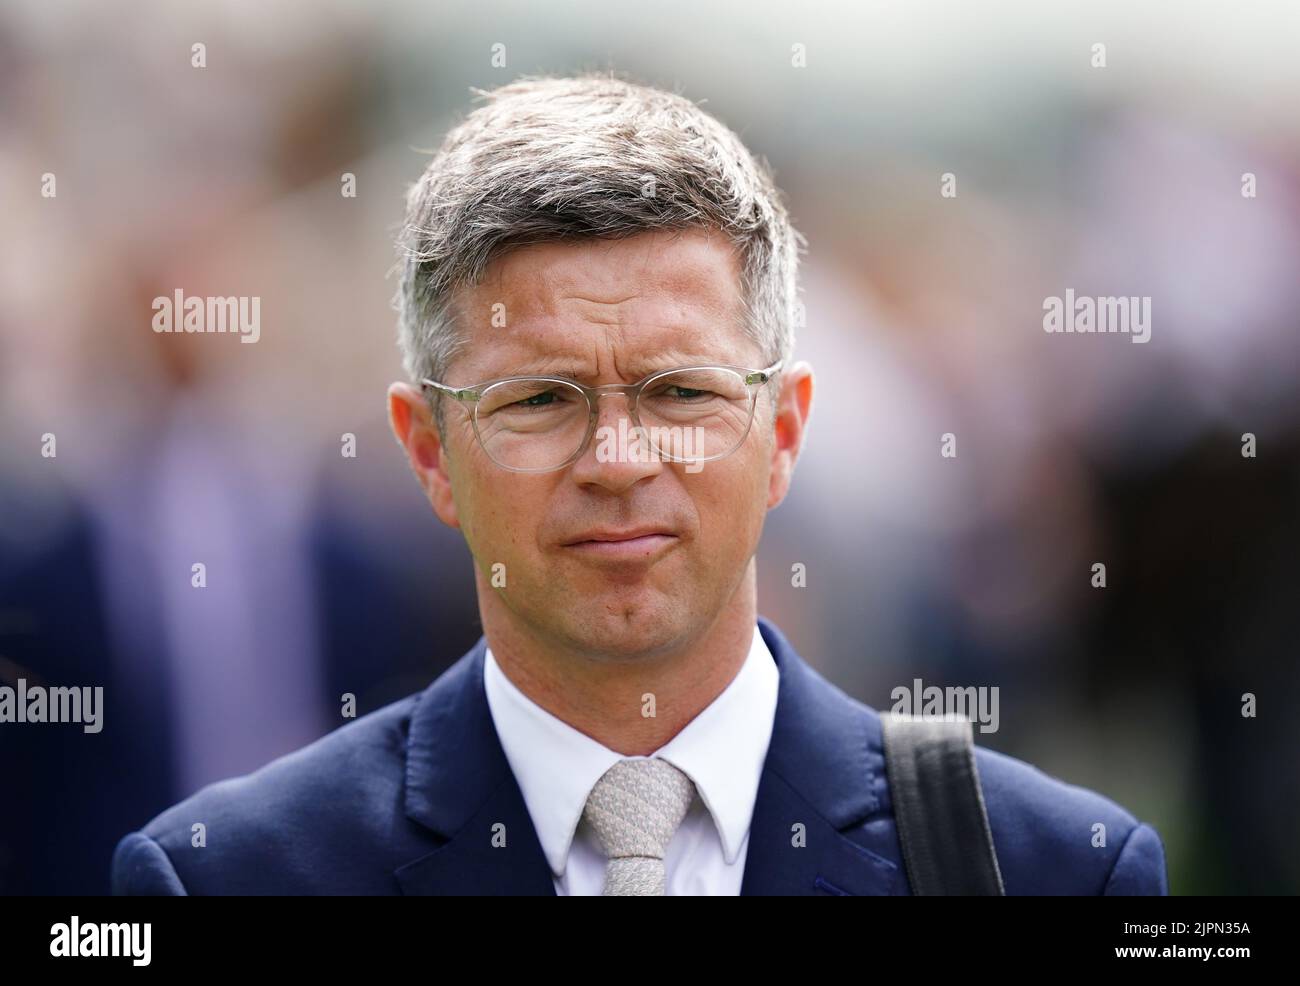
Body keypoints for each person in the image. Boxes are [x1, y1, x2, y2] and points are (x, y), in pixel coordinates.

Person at [112, 73, 1168, 895]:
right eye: (539, 401)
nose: (618, 461)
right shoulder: (231, 876)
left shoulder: (1049, 868)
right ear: (428, 450)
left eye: (678, 392)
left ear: (784, 429)